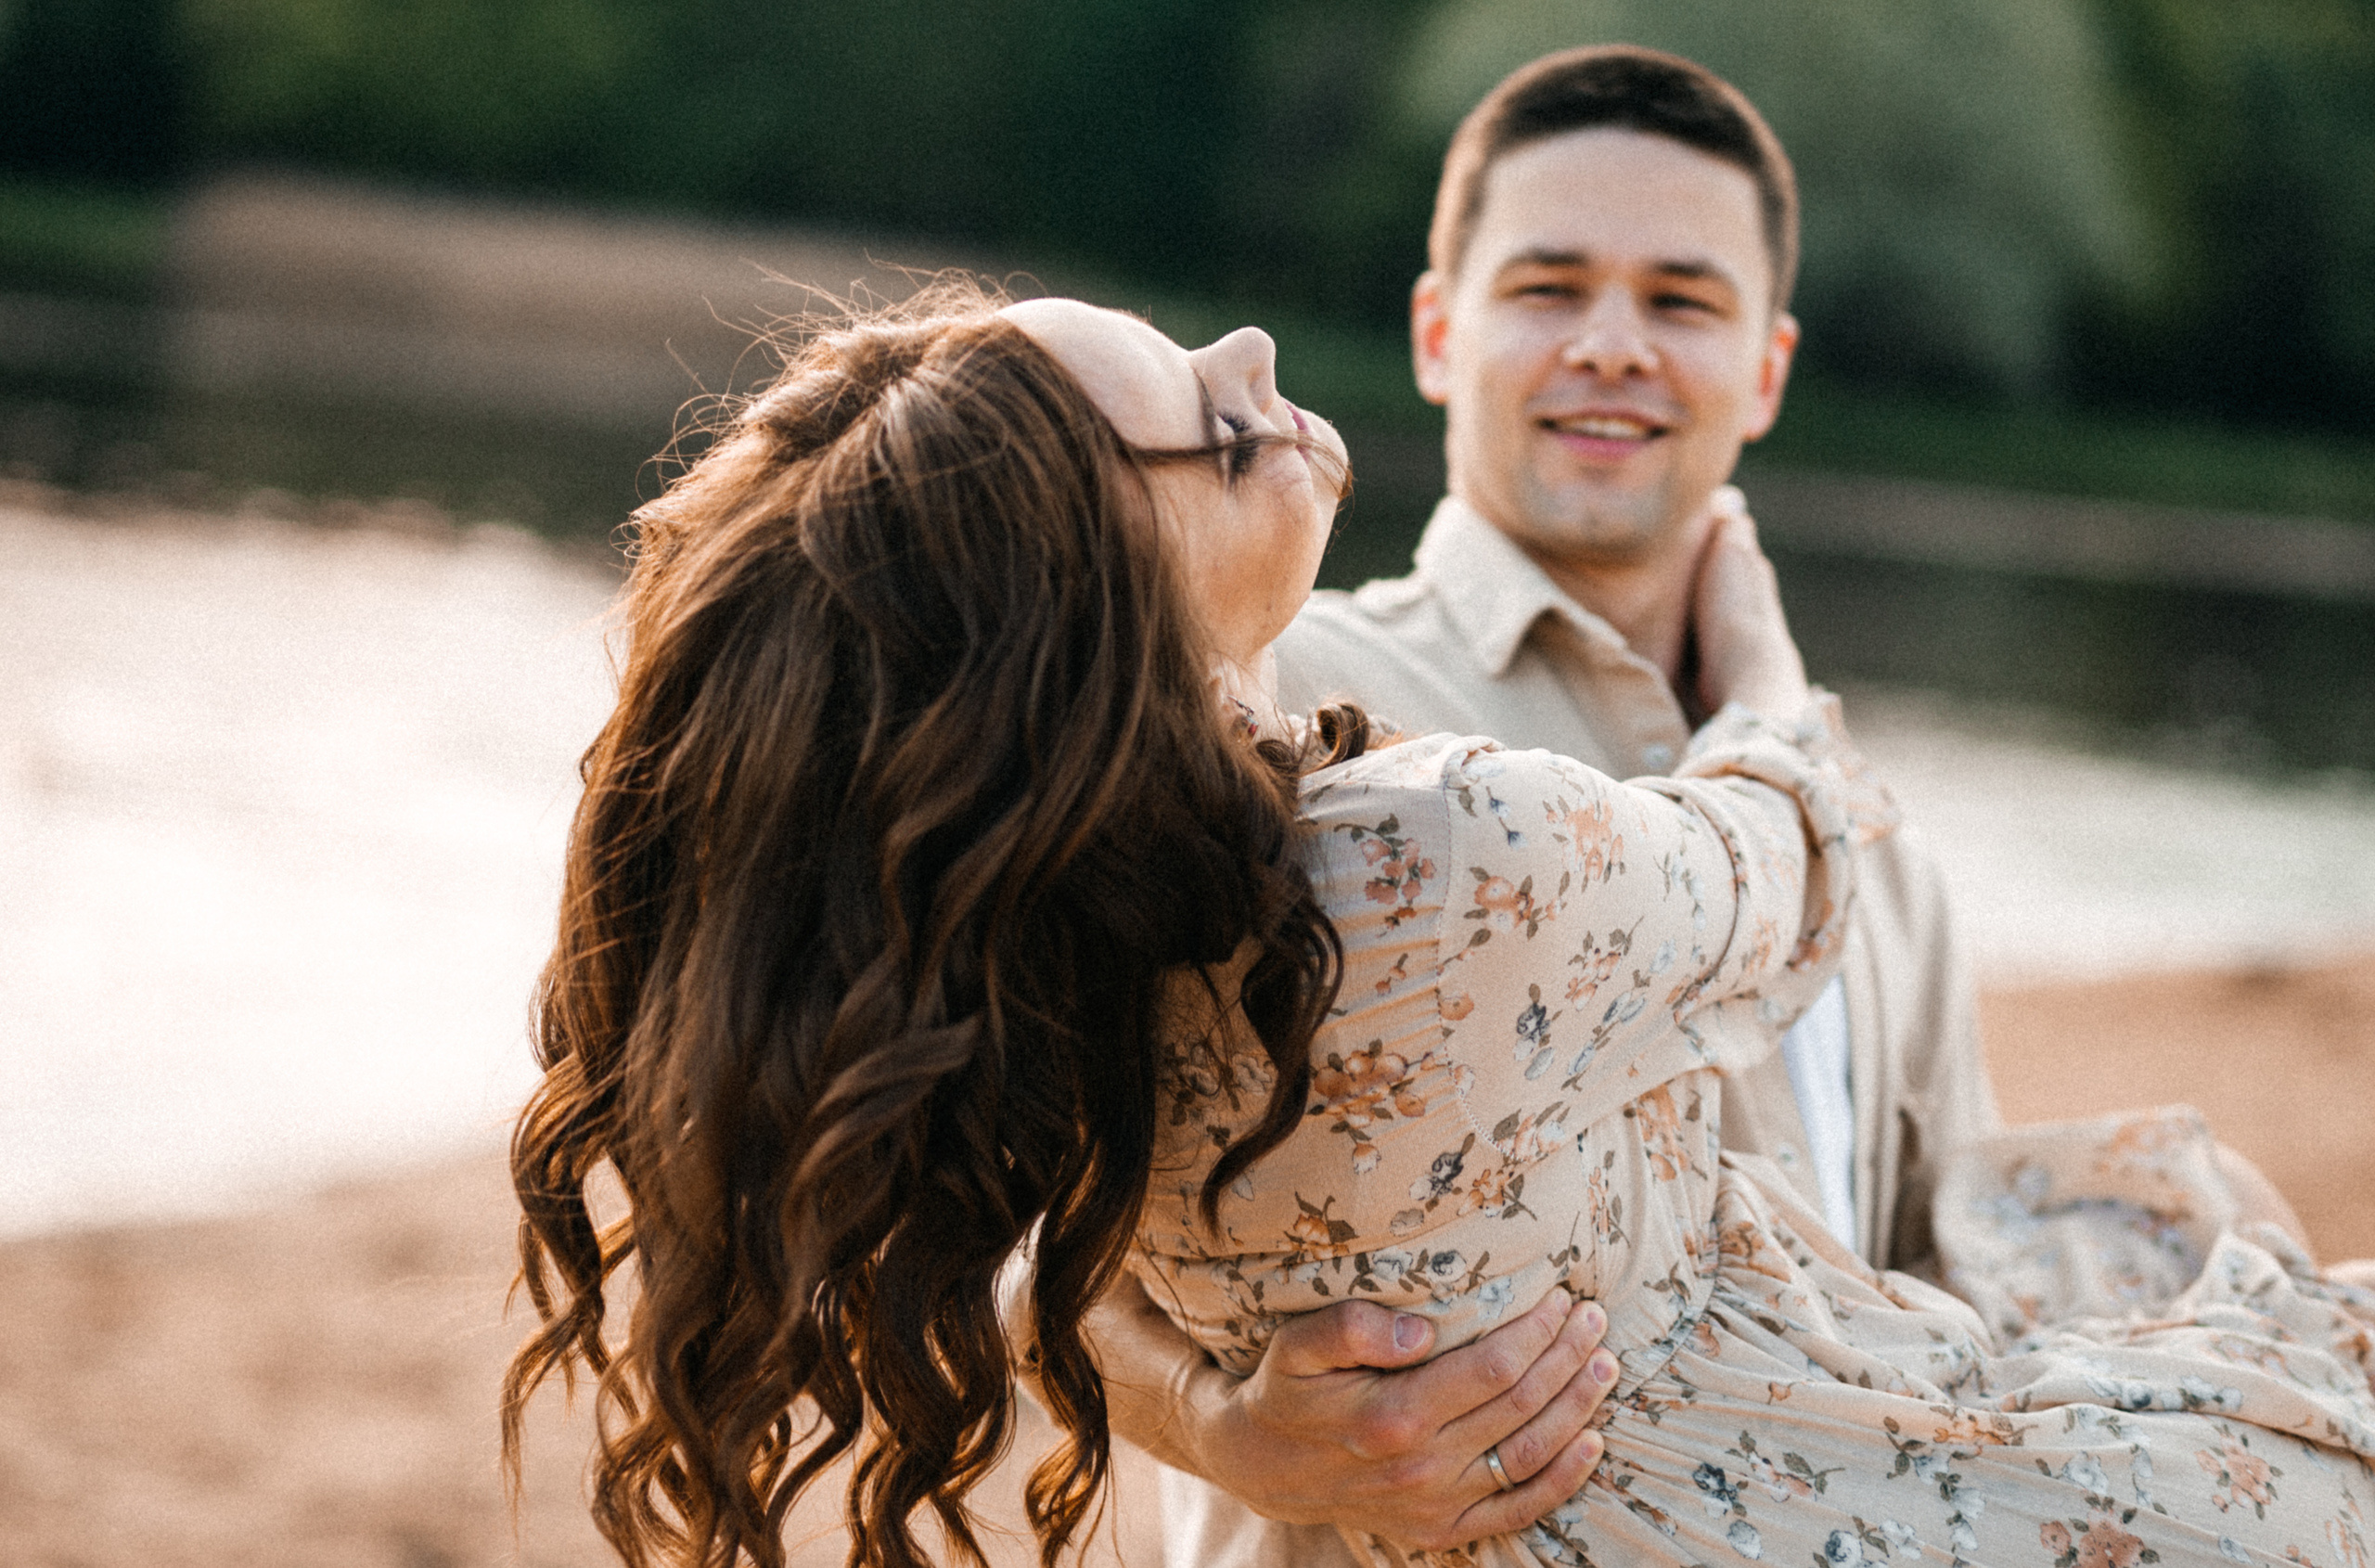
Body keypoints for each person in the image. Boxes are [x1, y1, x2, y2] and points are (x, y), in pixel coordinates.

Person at [503, 283, 2375, 1568]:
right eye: (1208, 415)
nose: (1248, 348)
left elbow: (980, 1249)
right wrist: (1763, 657)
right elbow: (1783, 868)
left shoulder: (1022, 937)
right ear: (1100, 602)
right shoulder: (1430, 849)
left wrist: (1216, 1407)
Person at [1074, 46, 2001, 1560]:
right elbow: (981, 1199)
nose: (1614, 345)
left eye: (1683, 301)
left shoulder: (1874, 847)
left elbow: (1942, 1284)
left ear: (1766, 366)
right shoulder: (1264, 698)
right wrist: (1215, 1423)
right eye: (1551, 286)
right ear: (1441, 332)